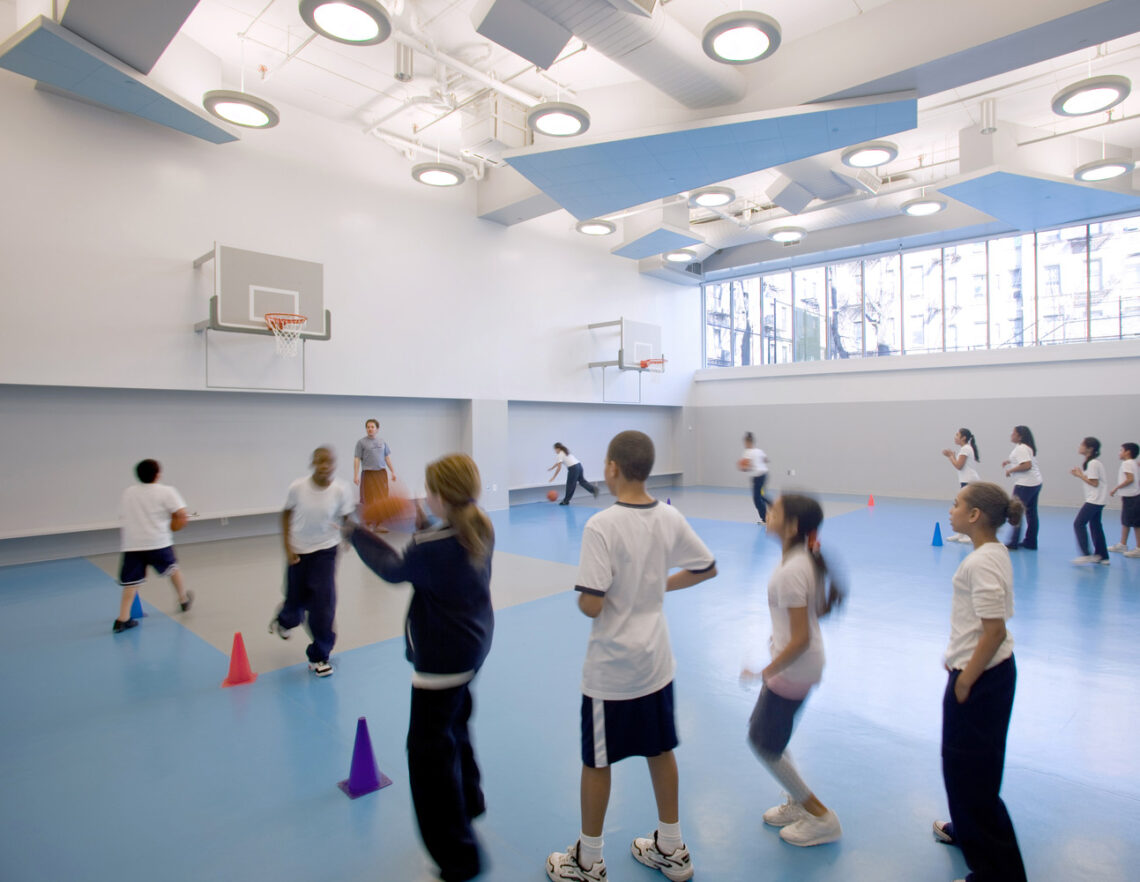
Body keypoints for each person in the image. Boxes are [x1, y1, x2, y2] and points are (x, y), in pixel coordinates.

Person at [546, 430, 717, 882]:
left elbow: (592, 604)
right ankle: (672, 848)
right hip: (657, 664)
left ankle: (588, 860)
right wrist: (657, 584)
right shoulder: (670, 517)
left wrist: (587, 592)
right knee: (661, 750)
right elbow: (706, 567)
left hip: (612, 671)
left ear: (611, 468)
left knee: (597, 762)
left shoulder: (601, 526)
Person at [348, 454, 494, 882]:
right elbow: (435, 554)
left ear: (439, 495)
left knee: (428, 757)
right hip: (472, 650)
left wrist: (355, 533)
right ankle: (471, 800)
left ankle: (458, 857)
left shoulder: (430, 547)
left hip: (440, 664)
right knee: (457, 725)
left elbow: (395, 570)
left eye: (428, 491)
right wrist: (418, 522)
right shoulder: (481, 526)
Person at [933, 481, 1027, 882]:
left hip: (982, 678)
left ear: (974, 516)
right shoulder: (992, 552)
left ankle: (996, 872)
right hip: (987, 671)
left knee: (971, 776)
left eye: (957, 504)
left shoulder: (981, 562)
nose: (950, 508)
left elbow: (993, 631)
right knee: (964, 767)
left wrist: (965, 680)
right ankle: (969, 830)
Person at [741, 494, 845, 847]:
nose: (768, 513)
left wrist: (765, 670)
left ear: (793, 526)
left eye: (775, 511)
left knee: (764, 743)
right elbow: (812, 617)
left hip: (794, 669)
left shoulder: (793, 570)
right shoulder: (801, 560)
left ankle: (820, 815)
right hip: (798, 666)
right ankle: (798, 800)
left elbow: (800, 638)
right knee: (770, 736)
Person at [270, 446, 355, 677]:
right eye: (320, 461)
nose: (325, 466)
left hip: (326, 551)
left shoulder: (341, 489)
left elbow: (347, 516)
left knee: (323, 604)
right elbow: (286, 514)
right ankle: (285, 620)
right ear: (313, 463)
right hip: (298, 551)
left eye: (330, 462)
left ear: (335, 464)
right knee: (296, 601)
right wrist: (287, 547)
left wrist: (348, 536)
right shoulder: (297, 488)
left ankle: (320, 655)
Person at [113, 458, 192, 632]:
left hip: (133, 544)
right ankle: (183, 599)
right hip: (158, 541)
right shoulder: (166, 491)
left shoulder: (128, 492)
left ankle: (122, 619)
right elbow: (181, 514)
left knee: (131, 583)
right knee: (173, 569)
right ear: (158, 474)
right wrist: (175, 525)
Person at [1070, 436, 1110, 565]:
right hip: (1098, 499)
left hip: (1094, 500)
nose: (1080, 446)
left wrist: (1079, 475)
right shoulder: (1093, 463)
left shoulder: (1093, 463)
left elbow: (1094, 483)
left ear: (1090, 448)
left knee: (1078, 523)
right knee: (1095, 526)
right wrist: (1081, 474)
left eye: (1082, 444)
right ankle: (1103, 556)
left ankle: (1086, 554)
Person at [1001, 426, 1041, 550]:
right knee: (1031, 513)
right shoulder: (1026, 447)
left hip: (1025, 484)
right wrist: (1009, 461)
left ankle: (1013, 542)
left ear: (1020, 436)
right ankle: (1031, 541)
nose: (1011, 435)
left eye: (1014, 433)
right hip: (1035, 482)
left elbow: (1027, 465)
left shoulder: (1021, 448)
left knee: (1015, 512)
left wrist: (1010, 470)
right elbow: (1023, 461)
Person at [354, 419, 398, 530]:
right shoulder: (361, 443)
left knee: (381, 499)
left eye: (372, 427)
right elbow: (357, 459)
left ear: (377, 429)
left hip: (381, 474)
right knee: (368, 499)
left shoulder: (382, 442)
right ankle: (368, 524)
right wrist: (355, 475)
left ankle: (379, 524)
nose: (370, 429)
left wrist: (393, 471)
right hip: (368, 474)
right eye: (368, 427)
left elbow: (387, 457)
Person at [941, 428, 980, 543]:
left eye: (957, 435)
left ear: (963, 437)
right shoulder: (965, 449)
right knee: (963, 505)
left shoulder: (965, 449)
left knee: (967, 507)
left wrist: (950, 456)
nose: (955, 437)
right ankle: (960, 534)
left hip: (969, 481)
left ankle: (969, 535)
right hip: (966, 481)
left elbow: (958, 465)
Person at [1107, 442, 1140, 558]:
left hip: (1132, 498)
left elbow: (1130, 479)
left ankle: (1139, 548)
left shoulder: (1127, 463)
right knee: (1126, 521)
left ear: (1128, 452)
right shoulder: (1133, 463)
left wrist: (1115, 488)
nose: (1119, 453)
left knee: (1136, 524)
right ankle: (1122, 544)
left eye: (1121, 450)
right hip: (1130, 497)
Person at [739, 431, 770, 525]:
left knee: (757, 499)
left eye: (745, 442)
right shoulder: (759, 451)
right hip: (764, 475)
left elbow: (744, 467)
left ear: (748, 442)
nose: (744, 444)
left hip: (758, 478)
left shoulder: (747, 452)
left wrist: (744, 467)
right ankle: (774, 506)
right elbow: (766, 460)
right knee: (761, 496)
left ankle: (766, 519)